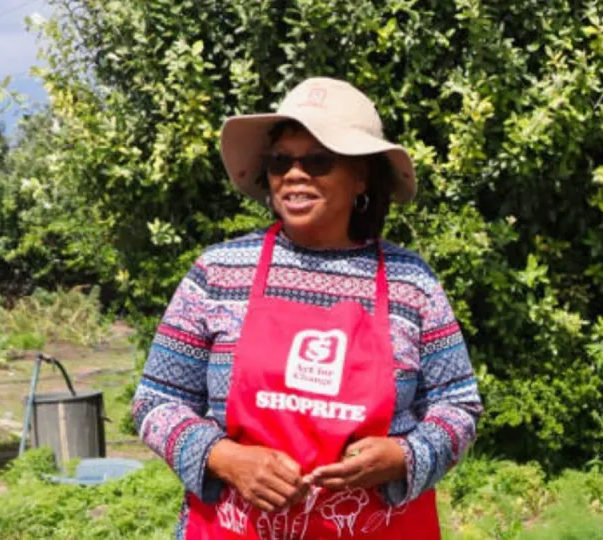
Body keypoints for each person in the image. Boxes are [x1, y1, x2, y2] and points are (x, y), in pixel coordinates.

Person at [132, 77, 482, 539]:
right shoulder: (218, 273)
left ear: (361, 175)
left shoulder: (410, 282)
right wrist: (226, 458)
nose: (295, 174)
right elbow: (156, 401)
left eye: (318, 160)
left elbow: (458, 406)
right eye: (281, 161)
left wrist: (404, 457)